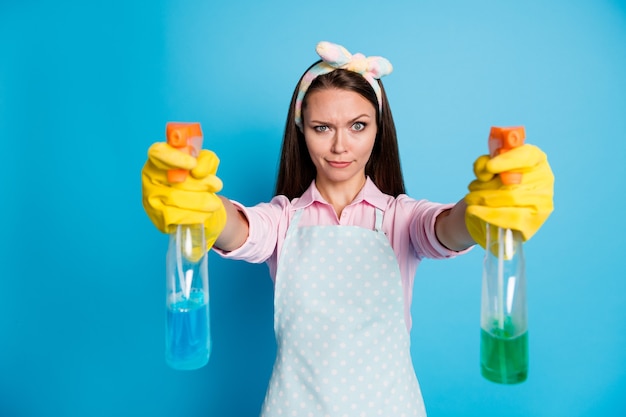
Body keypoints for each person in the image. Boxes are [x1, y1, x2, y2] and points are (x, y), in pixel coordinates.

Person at [142, 41, 554, 416]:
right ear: (301, 130)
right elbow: (242, 230)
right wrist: (205, 210)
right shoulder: (282, 220)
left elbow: (445, 227)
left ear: (379, 130)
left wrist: (483, 210)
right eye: (323, 128)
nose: (341, 146)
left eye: (358, 126)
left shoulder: (400, 219)